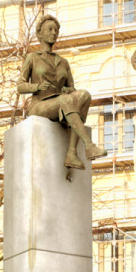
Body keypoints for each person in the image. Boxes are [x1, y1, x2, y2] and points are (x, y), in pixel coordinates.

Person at [17, 14, 108, 170]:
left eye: (56, 30)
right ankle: (89, 145)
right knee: (67, 100)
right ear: (40, 34)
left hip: (61, 102)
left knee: (84, 95)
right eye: (50, 29)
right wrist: (37, 87)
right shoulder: (32, 57)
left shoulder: (63, 62)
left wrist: (68, 89)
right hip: (39, 105)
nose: (54, 33)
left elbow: (72, 88)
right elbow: (20, 86)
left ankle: (71, 153)